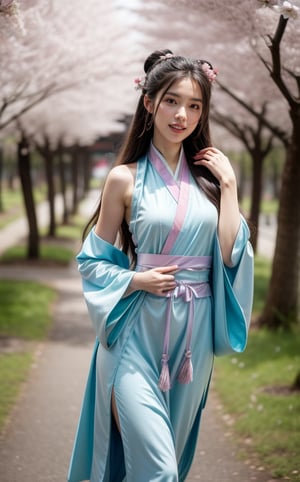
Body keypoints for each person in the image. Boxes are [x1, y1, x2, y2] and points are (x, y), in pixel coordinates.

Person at [68, 49, 254, 482]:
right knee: (159, 471)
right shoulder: (123, 179)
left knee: (172, 465)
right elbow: (92, 261)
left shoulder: (212, 181)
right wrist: (134, 279)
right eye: (171, 101)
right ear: (149, 102)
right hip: (135, 334)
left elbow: (231, 255)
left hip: (195, 341)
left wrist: (229, 186)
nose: (181, 115)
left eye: (194, 105)